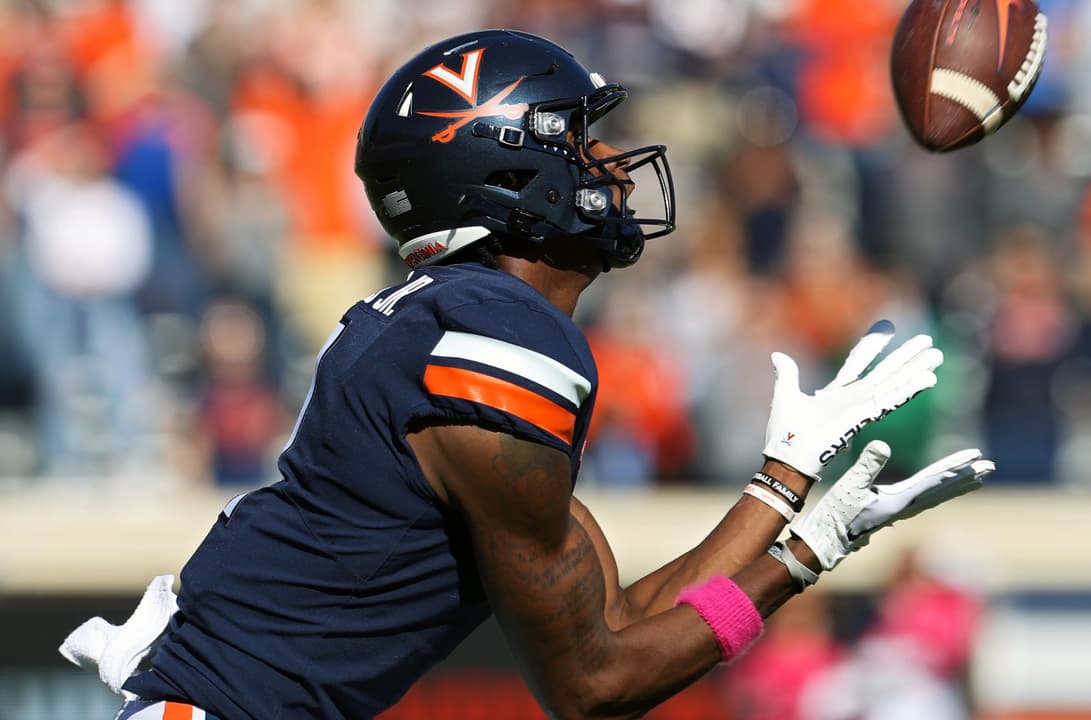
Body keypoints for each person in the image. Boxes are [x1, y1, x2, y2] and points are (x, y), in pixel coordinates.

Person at [60, 30, 995, 720]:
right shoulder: (497, 342)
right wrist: (807, 555)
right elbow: (592, 686)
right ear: (506, 172)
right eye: (579, 144)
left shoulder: (454, 322)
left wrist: (784, 483)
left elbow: (619, 620)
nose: (613, 171)